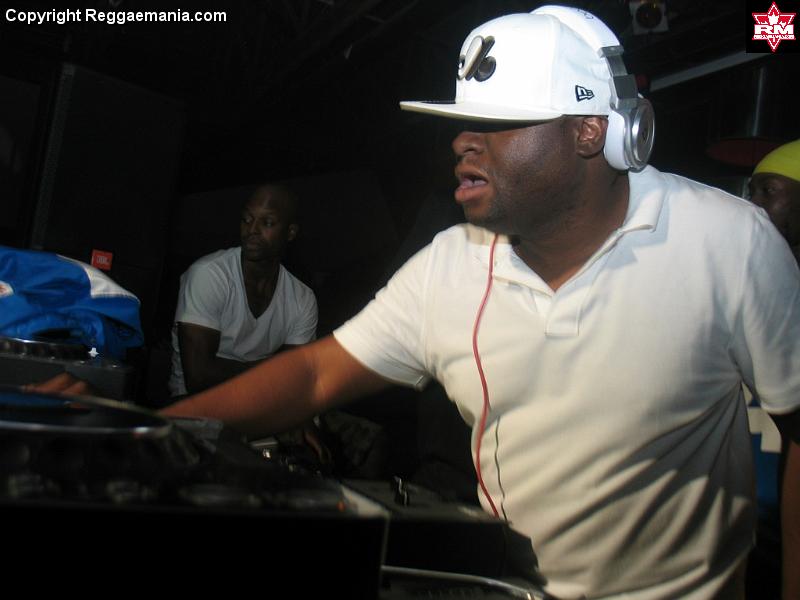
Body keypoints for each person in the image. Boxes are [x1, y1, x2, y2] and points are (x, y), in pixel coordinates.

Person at [156, 6, 800, 599]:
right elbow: (315, 374)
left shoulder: (729, 243)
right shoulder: (450, 264)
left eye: (497, 123)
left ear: (591, 131)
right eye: (463, 123)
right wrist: (149, 432)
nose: (463, 141)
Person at [166, 183, 317, 398]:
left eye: (267, 222)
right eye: (247, 219)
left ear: (290, 232)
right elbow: (199, 376)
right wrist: (272, 369)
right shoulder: (210, 275)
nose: (252, 230)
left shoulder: (303, 299)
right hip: (194, 407)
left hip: (255, 406)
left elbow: (294, 377)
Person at [746, 139, 800, 599]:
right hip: (737, 526)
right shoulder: (744, 282)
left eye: (769, 191)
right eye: (752, 192)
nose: (755, 206)